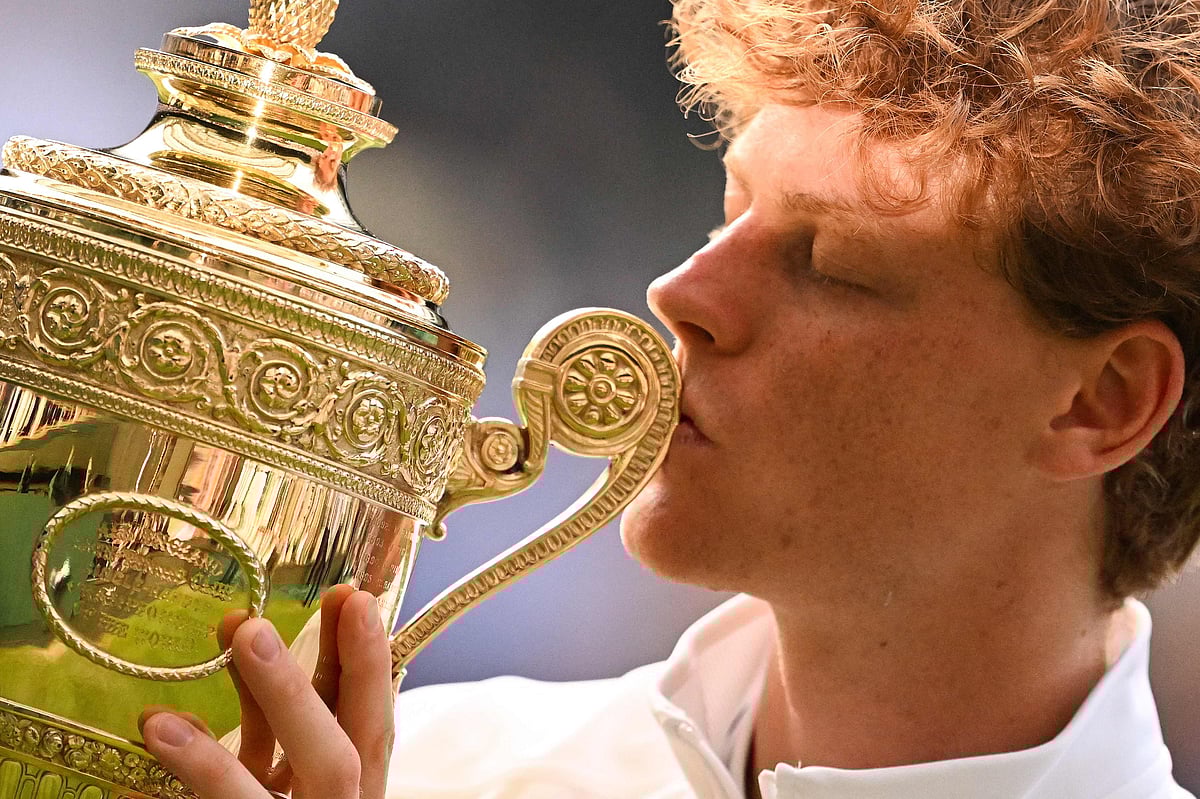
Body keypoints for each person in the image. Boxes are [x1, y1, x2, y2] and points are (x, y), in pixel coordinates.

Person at [138, 0, 1200, 796]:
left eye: (832, 262)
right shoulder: (424, 770)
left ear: (1101, 403)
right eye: (728, 209)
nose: (682, 294)